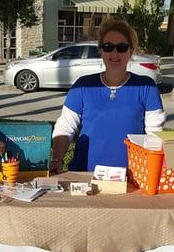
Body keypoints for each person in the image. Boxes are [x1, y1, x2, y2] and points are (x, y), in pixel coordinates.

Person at [50, 19, 165, 172]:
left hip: (131, 176)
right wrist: (57, 159)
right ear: (101, 50)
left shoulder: (146, 87)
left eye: (122, 47)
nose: (114, 53)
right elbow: (65, 128)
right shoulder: (82, 86)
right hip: (84, 174)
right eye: (108, 47)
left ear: (131, 51)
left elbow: (155, 135)